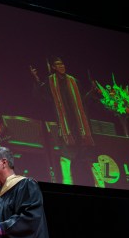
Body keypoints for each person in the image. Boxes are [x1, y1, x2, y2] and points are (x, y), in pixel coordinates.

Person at [30, 56, 98, 187]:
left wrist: (92, 92)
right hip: (65, 126)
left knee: (88, 156)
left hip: (80, 126)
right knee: (66, 155)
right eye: (58, 65)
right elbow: (42, 96)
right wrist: (36, 79)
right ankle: (67, 182)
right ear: (54, 67)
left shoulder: (74, 81)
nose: (62, 66)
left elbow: (84, 101)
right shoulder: (50, 82)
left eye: (63, 64)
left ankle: (95, 184)